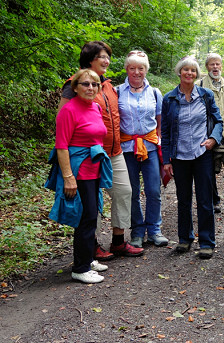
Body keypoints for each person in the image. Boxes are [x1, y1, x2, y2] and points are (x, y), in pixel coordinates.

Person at [59, 41, 144, 260]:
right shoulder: (74, 84)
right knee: (92, 201)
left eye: (107, 57)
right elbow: (63, 122)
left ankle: (118, 241)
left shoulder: (107, 85)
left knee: (124, 192)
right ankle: (92, 245)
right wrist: (67, 168)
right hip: (89, 155)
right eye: (101, 57)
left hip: (114, 152)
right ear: (89, 59)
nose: (106, 61)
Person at [49, 69, 111, 283]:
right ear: (75, 87)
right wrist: (68, 176)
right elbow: (61, 146)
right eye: (85, 84)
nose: (90, 88)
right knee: (86, 217)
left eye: (94, 84)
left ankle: (87, 257)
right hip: (79, 170)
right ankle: (80, 268)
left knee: (92, 215)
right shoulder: (69, 110)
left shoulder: (95, 107)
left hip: (93, 170)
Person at [161, 56, 223, 260]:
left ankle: (206, 242)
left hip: (202, 154)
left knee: (205, 199)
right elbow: (166, 131)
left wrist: (213, 138)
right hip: (179, 156)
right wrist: (167, 159)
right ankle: (185, 238)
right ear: (179, 72)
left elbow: (218, 121)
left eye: (193, 71)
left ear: (197, 74)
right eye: (185, 70)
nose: (189, 73)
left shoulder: (205, 95)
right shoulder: (169, 98)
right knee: (183, 199)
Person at [117, 50, 168, 249]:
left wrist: (160, 142)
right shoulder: (117, 91)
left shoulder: (154, 92)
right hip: (126, 148)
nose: (137, 72)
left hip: (150, 147)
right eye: (132, 68)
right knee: (131, 192)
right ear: (126, 69)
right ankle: (137, 231)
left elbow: (160, 122)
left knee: (153, 190)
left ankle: (155, 230)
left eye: (141, 68)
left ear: (146, 70)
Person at [197, 53, 224, 214]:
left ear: (221, 66)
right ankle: (213, 201)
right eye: (211, 64)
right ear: (206, 67)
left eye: (217, 64)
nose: (215, 67)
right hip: (209, 135)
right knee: (209, 170)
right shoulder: (200, 85)